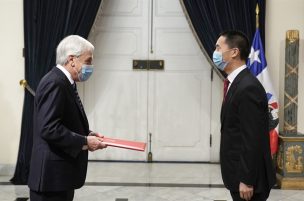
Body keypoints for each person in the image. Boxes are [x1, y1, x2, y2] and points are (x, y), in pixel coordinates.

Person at [28, 35, 107, 201]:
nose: (90, 66)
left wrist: (87, 134)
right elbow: (49, 128)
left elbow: (63, 121)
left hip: (59, 178)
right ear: (72, 60)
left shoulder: (65, 82)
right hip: (51, 180)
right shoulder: (55, 82)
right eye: (88, 61)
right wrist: (84, 141)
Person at [213, 31, 276, 201]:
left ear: (234, 52)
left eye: (219, 47)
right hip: (238, 174)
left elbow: (252, 137)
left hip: (249, 182)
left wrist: (246, 180)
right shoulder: (236, 83)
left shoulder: (248, 87)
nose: (216, 52)